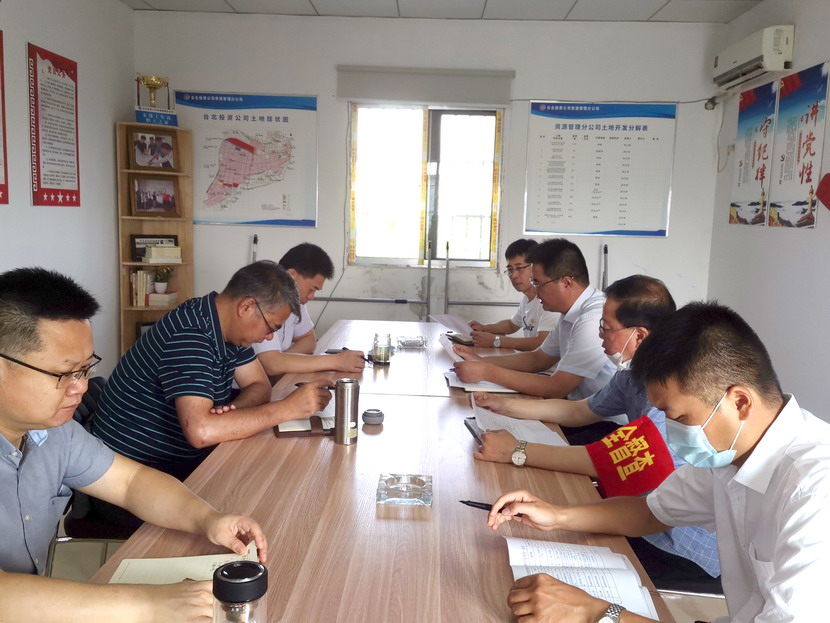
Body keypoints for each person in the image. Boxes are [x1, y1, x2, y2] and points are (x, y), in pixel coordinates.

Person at [486, 301, 830, 622]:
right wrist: (556, 515)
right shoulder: (730, 454)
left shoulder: (815, 491)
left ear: (739, 402)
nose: (671, 429)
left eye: (678, 416)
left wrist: (595, 614)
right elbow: (651, 512)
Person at [0, 267, 268, 622]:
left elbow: (130, 483)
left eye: (86, 370)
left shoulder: (55, 433)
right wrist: (150, 604)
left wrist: (208, 518)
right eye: (64, 373)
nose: (81, 387)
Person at [473, 275, 721, 591]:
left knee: (544, 562)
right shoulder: (632, 375)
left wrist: (516, 451)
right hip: (642, 513)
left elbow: (604, 462)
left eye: (606, 327)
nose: (599, 334)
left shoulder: (671, 399)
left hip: (677, 547)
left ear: (639, 335)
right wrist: (505, 405)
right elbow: (580, 411)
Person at [92, 260, 332, 482]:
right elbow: (202, 432)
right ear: (247, 306)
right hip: (132, 472)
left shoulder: (224, 325)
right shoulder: (191, 335)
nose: (269, 337)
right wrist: (288, 408)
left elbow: (259, 385)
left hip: (175, 460)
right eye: (271, 327)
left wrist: (231, 414)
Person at [454, 238, 615, 399]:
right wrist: (480, 360)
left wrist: (488, 372)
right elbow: (538, 359)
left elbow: (557, 387)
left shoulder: (593, 319)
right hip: (576, 405)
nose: (535, 291)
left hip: (596, 413)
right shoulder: (569, 312)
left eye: (538, 283)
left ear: (566, 283)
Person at [252, 243, 365, 379]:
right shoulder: (265, 299)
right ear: (292, 275)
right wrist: (336, 361)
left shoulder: (296, 300)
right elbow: (272, 364)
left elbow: (309, 340)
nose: (311, 297)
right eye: (312, 289)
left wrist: (285, 361)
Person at [467, 239, 559, 351]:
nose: (514, 275)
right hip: (532, 360)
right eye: (510, 270)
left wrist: (496, 341)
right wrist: (483, 327)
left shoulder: (549, 301)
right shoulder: (527, 299)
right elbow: (511, 325)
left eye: (519, 268)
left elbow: (541, 342)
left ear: (535, 267)